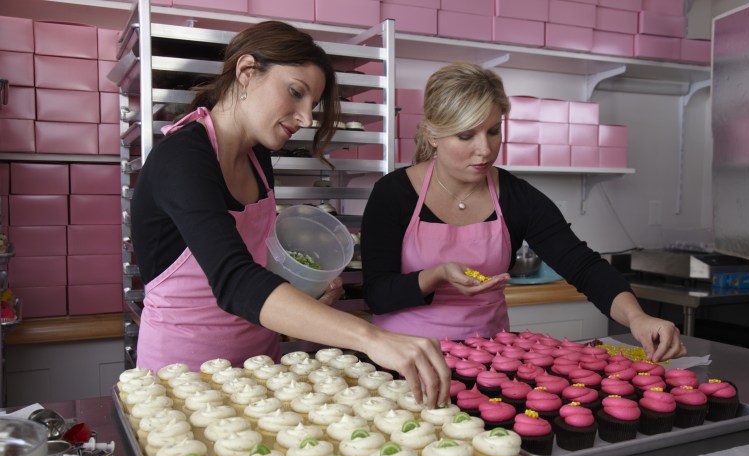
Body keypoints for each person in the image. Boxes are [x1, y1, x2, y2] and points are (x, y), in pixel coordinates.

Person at [130, 21, 449, 406]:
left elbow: (250, 262)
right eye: (295, 93)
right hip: (182, 380)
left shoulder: (257, 157)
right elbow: (233, 280)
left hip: (260, 370)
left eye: (311, 105)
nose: (306, 119)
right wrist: (371, 337)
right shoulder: (181, 159)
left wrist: (303, 300)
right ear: (246, 72)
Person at [361, 62, 686, 363]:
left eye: (493, 130)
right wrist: (437, 275)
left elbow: (584, 267)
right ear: (433, 134)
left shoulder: (517, 197)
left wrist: (637, 317)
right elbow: (377, 295)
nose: (485, 149)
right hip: (403, 358)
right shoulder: (394, 194)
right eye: (466, 135)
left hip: (489, 361)